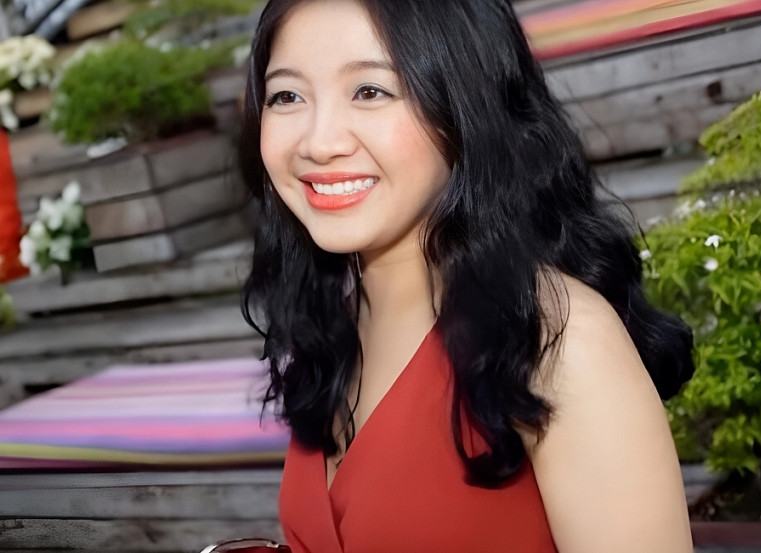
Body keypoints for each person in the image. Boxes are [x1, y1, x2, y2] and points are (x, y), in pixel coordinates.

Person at [240, 0, 695, 551]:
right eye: (287, 96)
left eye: (370, 91)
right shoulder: (336, 324)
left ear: (465, 102)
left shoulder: (559, 339)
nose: (318, 142)